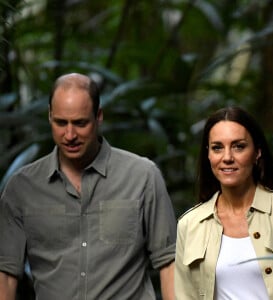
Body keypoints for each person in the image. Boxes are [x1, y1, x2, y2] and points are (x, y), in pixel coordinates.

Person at [0, 73, 176, 300]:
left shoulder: (143, 177)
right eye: (61, 123)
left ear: (98, 116)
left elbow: (169, 264)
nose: (70, 135)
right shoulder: (22, 188)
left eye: (80, 123)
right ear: (49, 117)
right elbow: (5, 275)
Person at [175, 106, 273, 299]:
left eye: (238, 146)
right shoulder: (190, 224)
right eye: (217, 148)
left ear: (257, 152)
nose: (227, 158)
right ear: (208, 155)